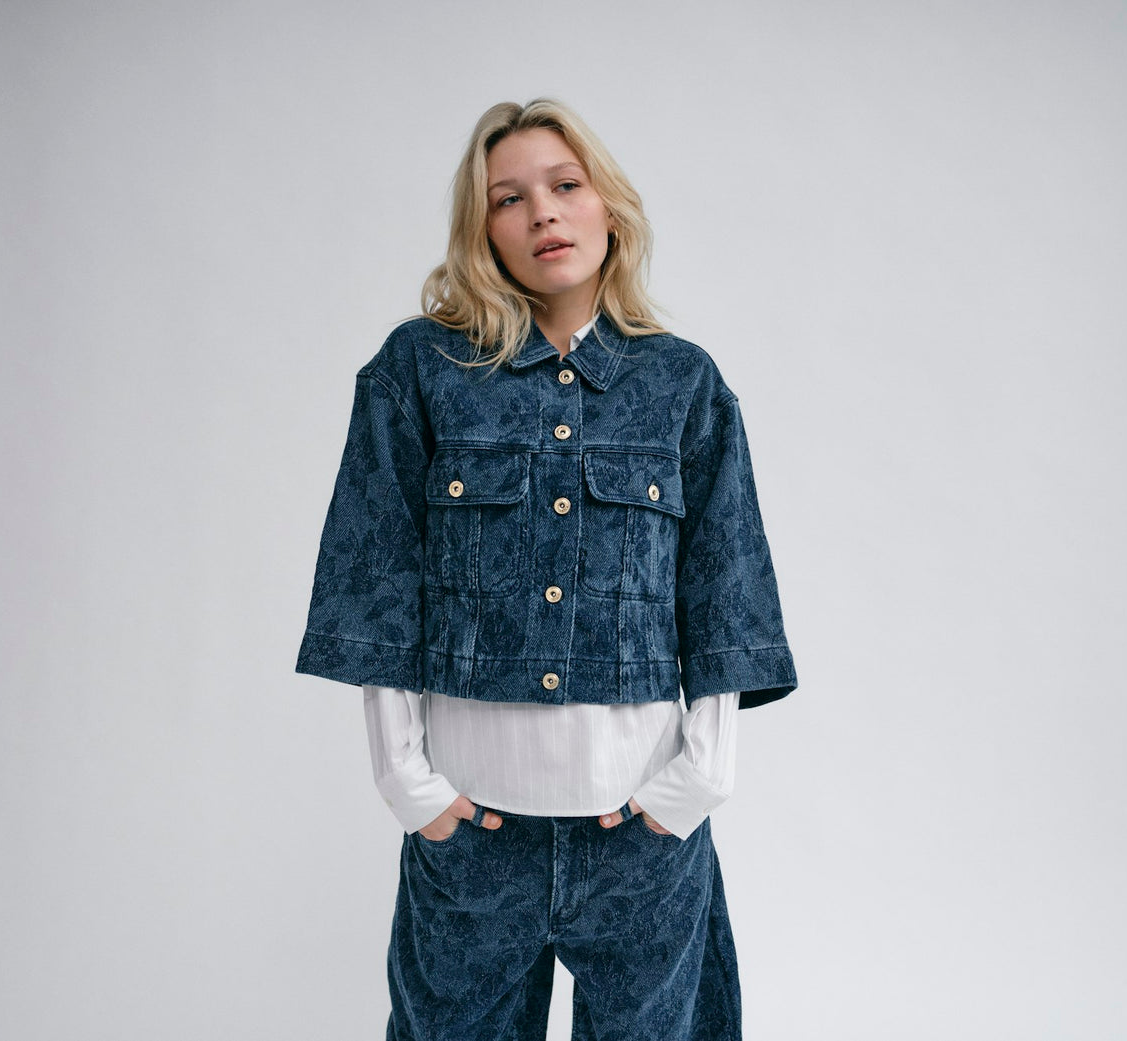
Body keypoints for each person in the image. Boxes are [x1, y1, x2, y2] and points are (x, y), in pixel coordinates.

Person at [296, 98, 796, 1041]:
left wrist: (696, 783)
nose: (544, 214)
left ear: (609, 204)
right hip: (471, 838)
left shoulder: (683, 382)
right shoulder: (420, 369)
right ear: (481, 229)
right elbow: (375, 578)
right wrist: (411, 786)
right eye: (508, 198)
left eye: (566, 185)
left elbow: (726, 589)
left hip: (643, 837)